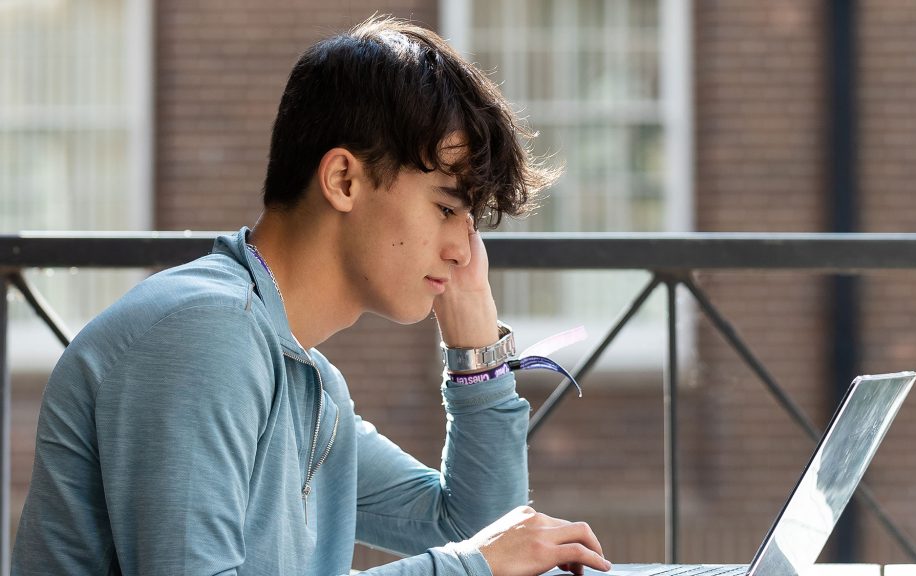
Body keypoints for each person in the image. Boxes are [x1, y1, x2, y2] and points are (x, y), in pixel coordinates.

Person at [12, 16, 611, 576]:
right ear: (344, 180)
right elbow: (474, 558)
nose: (464, 249)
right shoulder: (203, 333)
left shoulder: (306, 381)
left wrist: (477, 354)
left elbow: (474, 530)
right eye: (448, 207)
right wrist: (468, 567)